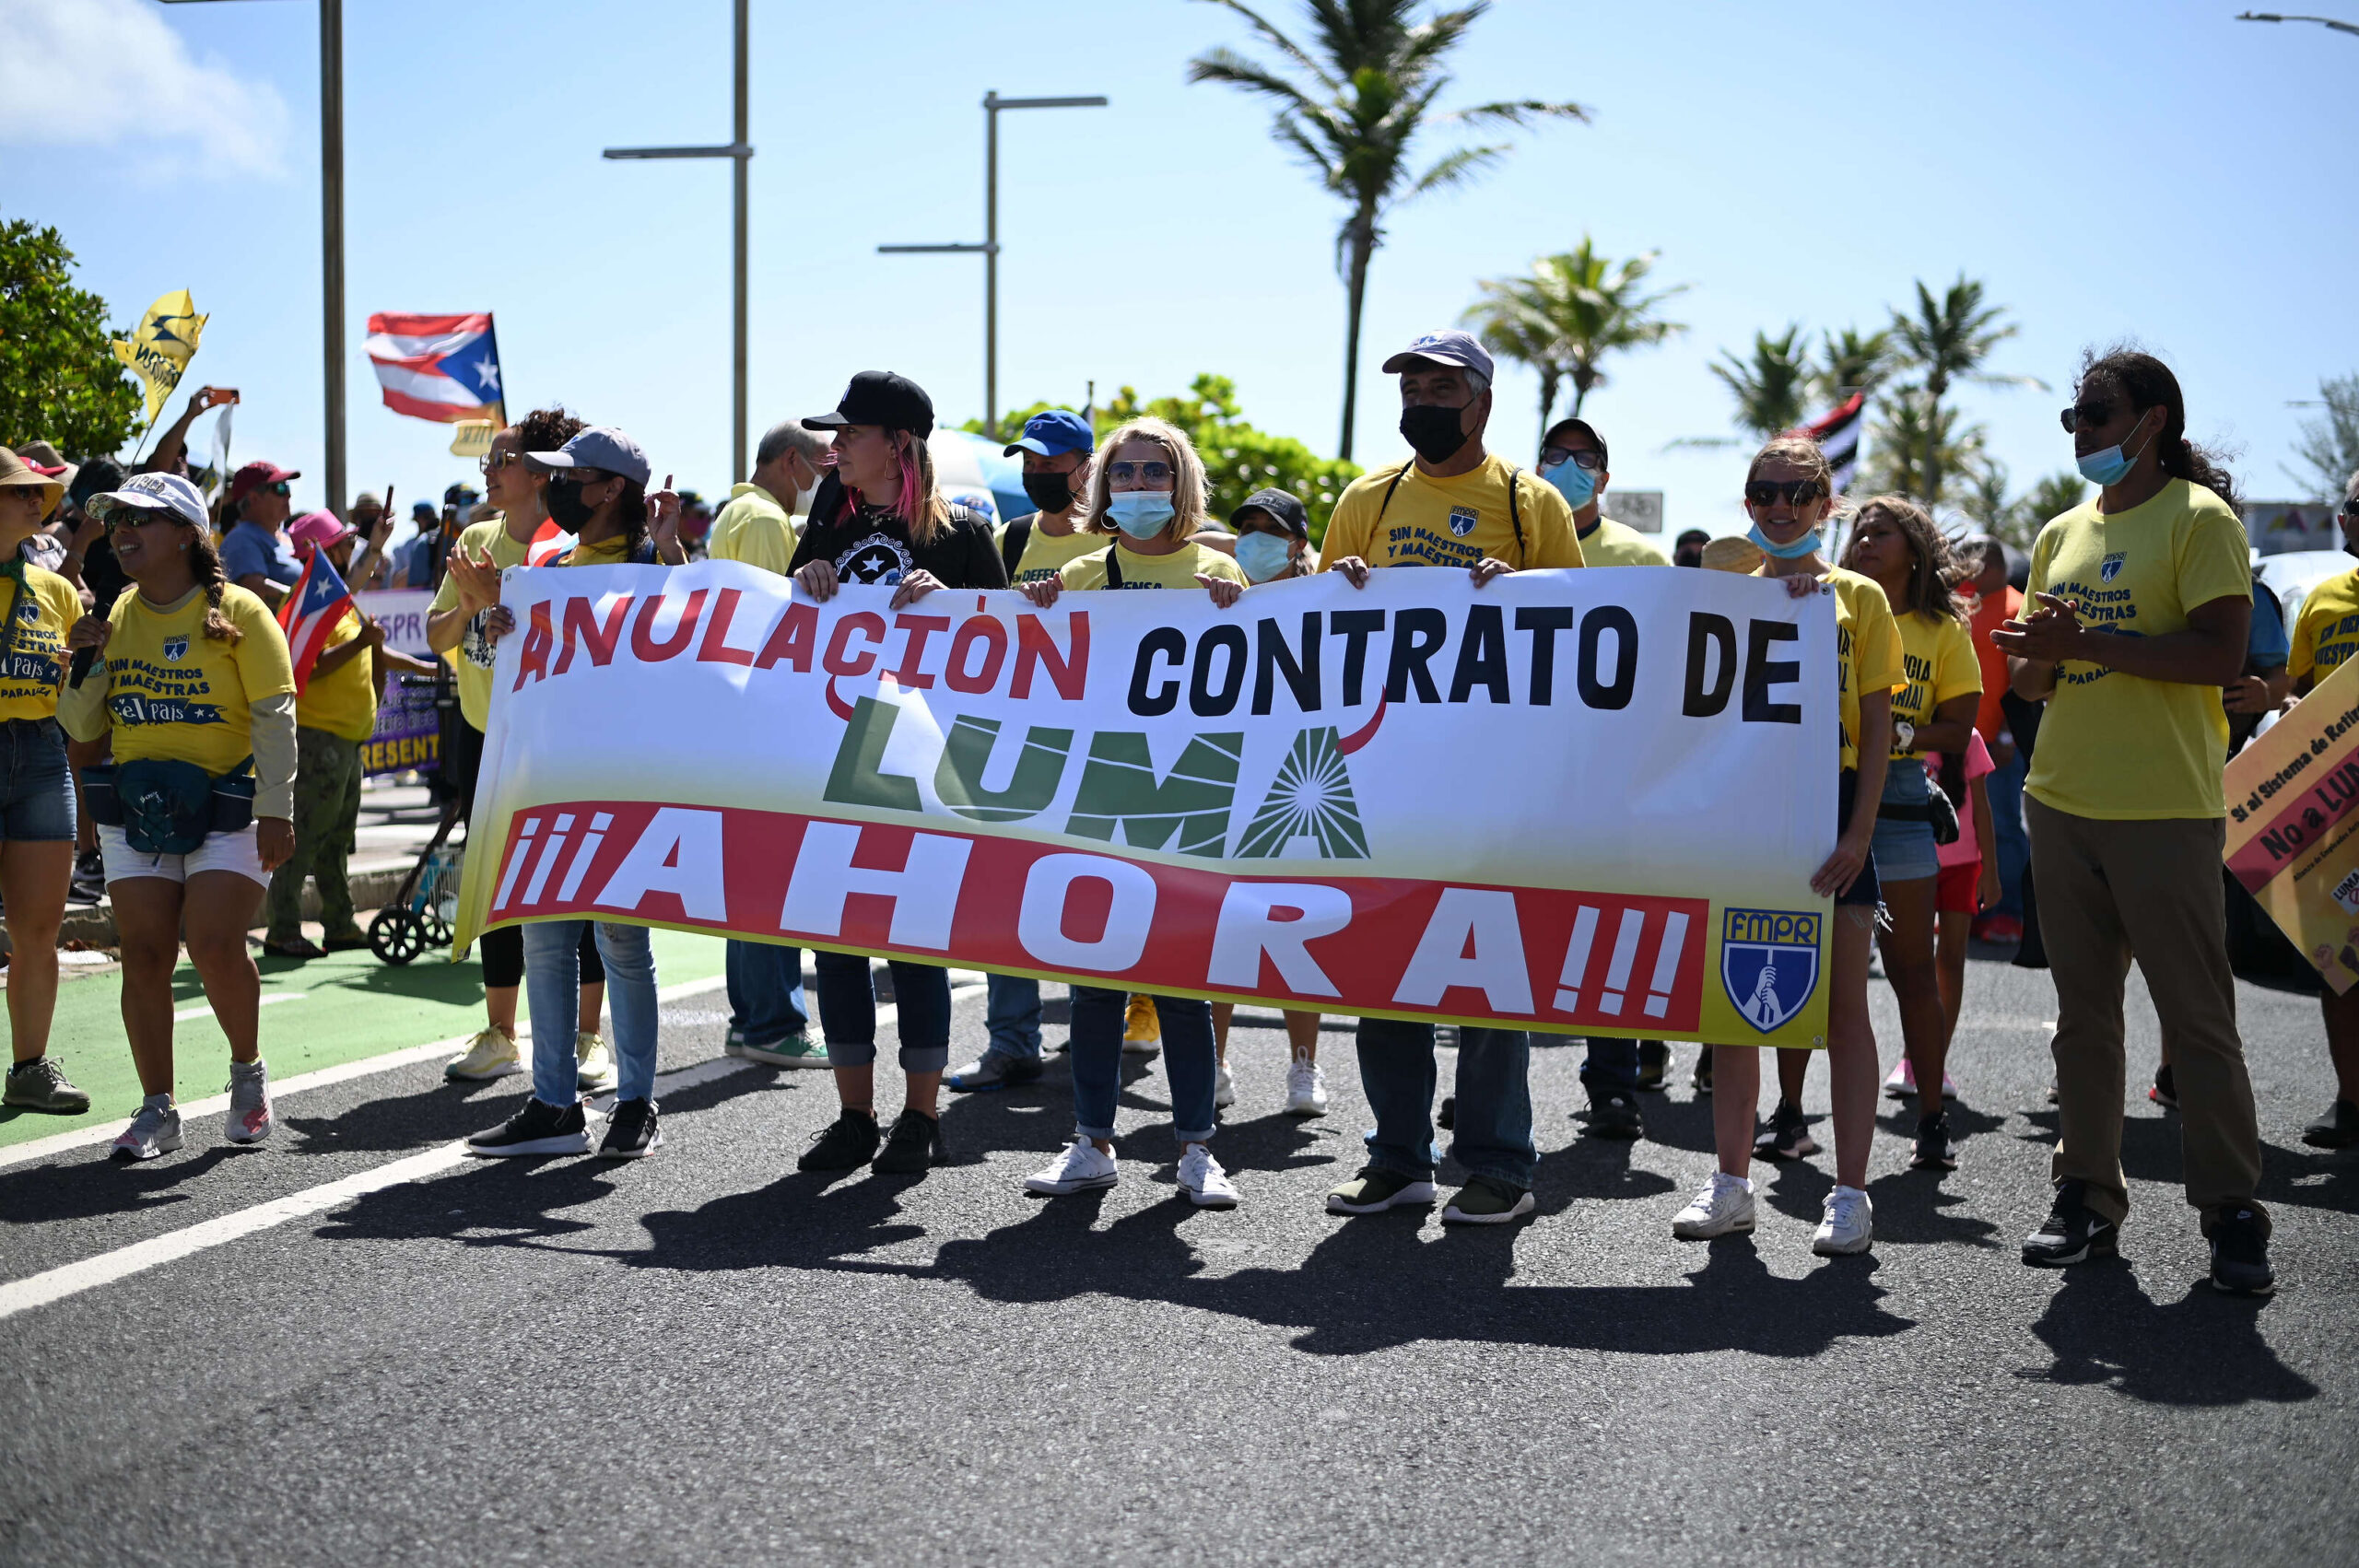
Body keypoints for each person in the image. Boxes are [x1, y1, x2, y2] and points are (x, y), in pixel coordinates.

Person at [1992, 347, 2272, 1295]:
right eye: (2071, 418)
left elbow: (2215, 655)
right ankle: (2083, 1194)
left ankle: (2230, 1209)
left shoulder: (2200, 520)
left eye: (2096, 414)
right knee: (2082, 1019)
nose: (2081, 433)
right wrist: (2035, 658)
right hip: (2061, 800)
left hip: (2163, 807)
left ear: (2153, 420)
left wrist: (2087, 641)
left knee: (2197, 1022)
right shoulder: (2059, 532)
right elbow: (2036, 679)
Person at [1314, 329, 1585, 1226]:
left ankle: (1498, 1160)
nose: (1422, 404)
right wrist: (1344, 583)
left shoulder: (1527, 500)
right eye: (1413, 389)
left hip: (1491, 783)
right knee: (1380, 969)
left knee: (1487, 971)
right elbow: (1315, 633)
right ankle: (1398, 1158)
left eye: (1441, 389)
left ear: (1482, 404)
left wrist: (1521, 593)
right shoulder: (1367, 498)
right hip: (1383, 777)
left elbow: (1578, 631)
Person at [1671, 435, 1897, 1256]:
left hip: (1830, 805)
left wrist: (1858, 832)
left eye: (1798, 493)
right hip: (1742, 810)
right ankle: (1732, 1184)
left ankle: (1851, 1192)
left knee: (1843, 1009)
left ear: (1826, 505)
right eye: (1763, 491)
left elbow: (1878, 730)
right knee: (1732, 1007)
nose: (1779, 506)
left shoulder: (1860, 599)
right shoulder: (1725, 591)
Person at [1015, 415, 1247, 1207]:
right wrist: (1034, 608)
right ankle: (1091, 1142)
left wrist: (1236, 610)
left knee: (1182, 982)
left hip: (1189, 801)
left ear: (1180, 485)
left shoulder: (1221, 572)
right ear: (1102, 487)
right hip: (1096, 798)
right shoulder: (1078, 576)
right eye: (1125, 473)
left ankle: (1195, 1149)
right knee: (1093, 985)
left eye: (1155, 473)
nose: (1139, 487)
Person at [787, 371, 1005, 1177]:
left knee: (915, 944)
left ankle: (920, 1115)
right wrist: (801, 582)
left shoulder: (963, 536)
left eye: (850, 433)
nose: (834, 446)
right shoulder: (826, 517)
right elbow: (784, 632)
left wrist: (954, 606)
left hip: (920, 769)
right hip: (830, 759)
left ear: (899, 446)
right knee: (835, 942)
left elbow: (1012, 662)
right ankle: (854, 1116)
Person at [59, 472, 298, 1160]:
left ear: (188, 535)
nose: (123, 531)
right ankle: (157, 1108)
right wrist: (83, 661)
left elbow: (275, 716)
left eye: (142, 518)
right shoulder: (115, 616)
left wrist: (276, 809)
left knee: (217, 942)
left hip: (231, 807)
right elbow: (78, 726)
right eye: (116, 521)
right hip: (137, 811)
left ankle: (247, 1075)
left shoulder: (245, 612)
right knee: (144, 953)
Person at [463, 426, 682, 1161]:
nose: (557, 486)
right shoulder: (546, 563)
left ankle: (637, 1103)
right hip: (550, 776)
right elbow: (511, 668)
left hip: (628, 782)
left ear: (612, 488)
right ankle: (554, 1105)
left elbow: (692, 656)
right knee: (544, 938)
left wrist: (672, 557)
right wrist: (495, 626)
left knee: (622, 940)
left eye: (572, 476)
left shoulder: (657, 565)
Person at [430, 410, 618, 1093]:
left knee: (578, 881)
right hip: (487, 737)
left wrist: (517, 609)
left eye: (502, 460)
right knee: (496, 885)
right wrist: (476, 611)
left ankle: (588, 1036)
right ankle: (501, 1033)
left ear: (541, 475)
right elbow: (437, 634)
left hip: (559, 744)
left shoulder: (569, 544)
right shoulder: (476, 537)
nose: (489, 470)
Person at [943, 410, 1107, 1095]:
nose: (1038, 474)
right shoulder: (1009, 538)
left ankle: (1097, 1039)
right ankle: (1013, 1043)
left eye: (1052, 463)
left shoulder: (1119, 539)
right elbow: (972, 624)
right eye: (1030, 463)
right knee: (1005, 897)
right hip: (1015, 744)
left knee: (1091, 900)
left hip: (1100, 749)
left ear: (1085, 467)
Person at [1533, 415, 1684, 1134]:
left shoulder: (1640, 558)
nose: (1568, 466)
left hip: (1611, 771)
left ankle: (1614, 1081)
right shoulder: (1512, 548)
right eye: (1554, 456)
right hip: (1520, 768)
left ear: (1605, 475)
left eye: (1583, 457)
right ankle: (1486, 1090)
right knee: (1506, 918)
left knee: (1608, 924)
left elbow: (1667, 666)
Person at [1839, 495, 1981, 1171]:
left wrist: (1900, 733)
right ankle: (1784, 1113)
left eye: (1882, 531)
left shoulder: (1942, 633)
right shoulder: (1826, 606)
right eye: (1859, 530)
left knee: (1910, 972)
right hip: (1821, 791)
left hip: (1897, 803)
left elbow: (1960, 730)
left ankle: (1931, 1117)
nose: (1865, 539)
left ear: (1915, 550)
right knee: (1801, 961)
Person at [1180, 486, 1331, 1116]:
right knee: (1226, 926)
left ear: (1298, 544)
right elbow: (1198, 540)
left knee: (1297, 925)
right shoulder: (1221, 595)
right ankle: (1213, 1066)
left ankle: (1305, 1067)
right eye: (1248, 531)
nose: (1254, 542)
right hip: (1232, 777)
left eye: (1272, 531)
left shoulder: (1328, 598)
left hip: (1304, 780)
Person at [708, 418, 834, 1069]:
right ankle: (774, 1021)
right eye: (824, 463)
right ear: (793, 461)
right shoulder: (764, 520)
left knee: (750, 876)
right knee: (773, 877)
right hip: (766, 720)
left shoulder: (735, 513)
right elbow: (772, 624)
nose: (830, 476)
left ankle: (751, 1017)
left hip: (739, 722)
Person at [260, 511, 436, 959]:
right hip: (321, 741)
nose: (349, 549)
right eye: (344, 543)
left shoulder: (334, 600)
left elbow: (371, 644)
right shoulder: (309, 603)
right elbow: (309, 668)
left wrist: (422, 667)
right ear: (324, 551)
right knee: (305, 836)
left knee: (335, 838)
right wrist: (362, 644)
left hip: (344, 742)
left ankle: (339, 923)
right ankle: (282, 928)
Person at [0, 452, 97, 1115]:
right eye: (22, 492)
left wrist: (84, 646)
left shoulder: (56, 588)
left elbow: (62, 686)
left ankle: (29, 1069)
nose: (38, 501)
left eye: (42, 493)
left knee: (39, 931)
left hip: (39, 751)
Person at [2280, 466, 2359, 1150]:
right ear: (2344, 520)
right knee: (2339, 958)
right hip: (2336, 810)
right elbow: (2296, 694)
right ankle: (2351, 1101)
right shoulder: (2324, 600)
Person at [1962, 535, 2029, 942]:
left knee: (2003, 827)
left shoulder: (2017, 608)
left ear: (1992, 567)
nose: (1962, 570)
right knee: (1966, 830)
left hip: (1999, 746)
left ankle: (2010, 913)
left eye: (1968, 562)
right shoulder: (1964, 605)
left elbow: (2024, 682)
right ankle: (1972, 908)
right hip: (1963, 742)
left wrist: (2007, 734)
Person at [221, 461, 305, 611]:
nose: (288, 494)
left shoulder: (283, 538)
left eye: (287, 486)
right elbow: (255, 594)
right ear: (254, 498)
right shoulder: (242, 538)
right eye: (280, 488)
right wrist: (311, 603)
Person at [391, 501, 440, 589]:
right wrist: (419, 566)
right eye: (426, 517)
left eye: (432, 517)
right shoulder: (404, 549)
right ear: (417, 519)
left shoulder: (444, 541)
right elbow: (395, 584)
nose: (430, 520)